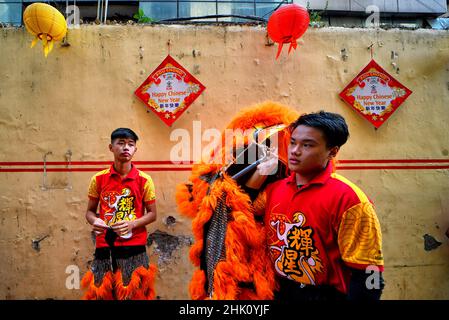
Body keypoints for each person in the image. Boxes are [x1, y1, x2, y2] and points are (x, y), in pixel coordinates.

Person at [246, 111, 385, 301]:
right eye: (293, 142)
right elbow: (243, 211)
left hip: (324, 294)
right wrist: (259, 174)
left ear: (333, 151)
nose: (295, 150)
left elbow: (369, 273)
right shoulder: (274, 190)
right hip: (279, 290)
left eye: (307, 145)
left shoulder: (349, 199)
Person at [80, 128, 158, 300]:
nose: (126, 148)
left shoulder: (144, 180)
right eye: (121, 143)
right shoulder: (98, 179)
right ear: (111, 147)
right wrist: (96, 221)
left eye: (131, 144)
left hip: (135, 247)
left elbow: (152, 214)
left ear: (135, 150)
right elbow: (90, 212)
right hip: (104, 246)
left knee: (134, 294)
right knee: (104, 294)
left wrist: (132, 224)